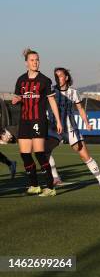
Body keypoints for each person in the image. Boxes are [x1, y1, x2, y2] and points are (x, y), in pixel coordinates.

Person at [45, 67, 100, 191]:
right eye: (56, 76)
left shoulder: (74, 92)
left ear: (67, 77)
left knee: (84, 155)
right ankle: (55, 177)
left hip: (70, 128)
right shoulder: (51, 91)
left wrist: (87, 123)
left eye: (60, 76)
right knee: (44, 152)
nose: (58, 78)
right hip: (54, 128)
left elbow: (80, 109)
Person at [12, 48, 62, 196]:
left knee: (39, 153)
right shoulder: (21, 80)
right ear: (26, 63)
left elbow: (52, 101)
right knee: (25, 154)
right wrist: (18, 99)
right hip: (25, 120)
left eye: (37, 60)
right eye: (32, 60)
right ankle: (34, 185)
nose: (35, 62)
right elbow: (19, 96)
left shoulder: (45, 80)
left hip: (38, 120)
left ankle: (50, 186)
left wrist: (58, 121)